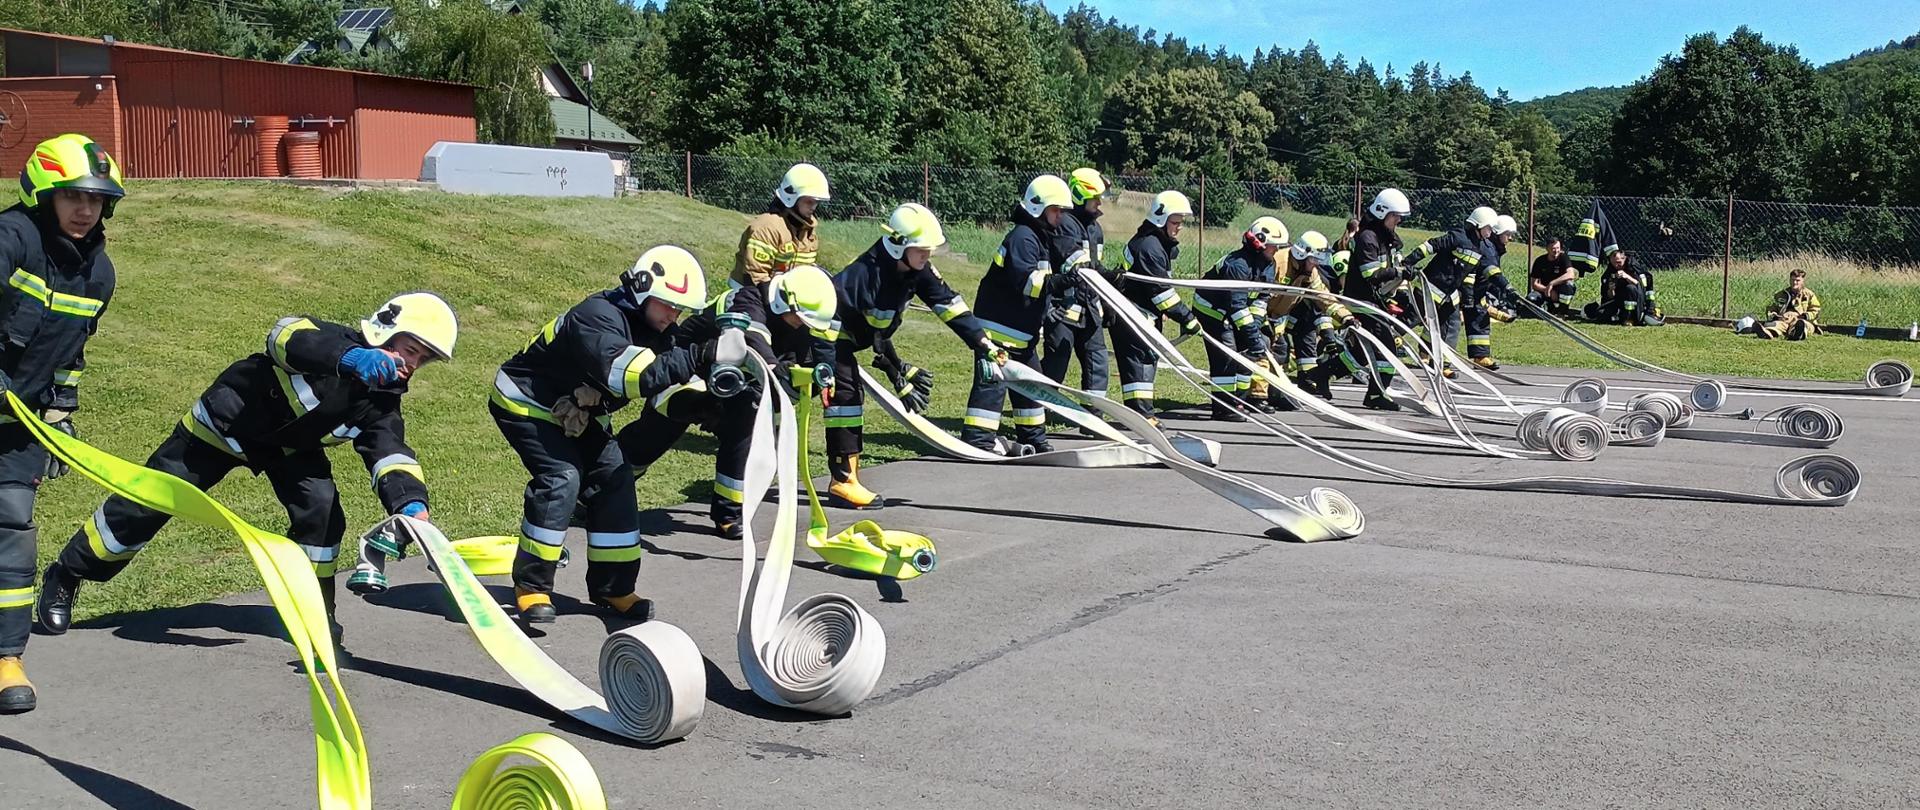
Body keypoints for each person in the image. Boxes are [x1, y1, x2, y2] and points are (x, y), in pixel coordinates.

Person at [38, 293, 457, 651]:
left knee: (323, 515)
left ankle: (312, 613)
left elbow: (390, 452)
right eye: (410, 349)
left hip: (290, 449)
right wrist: (349, 360)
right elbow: (284, 337)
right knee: (146, 503)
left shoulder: (383, 399)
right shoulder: (331, 339)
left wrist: (411, 504)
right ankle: (67, 575)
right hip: (223, 428)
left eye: (422, 359)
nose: (411, 365)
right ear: (386, 329)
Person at [490, 246, 719, 624]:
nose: (673, 315)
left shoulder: (658, 328)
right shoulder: (597, 316)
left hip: (577, 410)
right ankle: (531, 587)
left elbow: (670, 376)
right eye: (667, 305)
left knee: (616, 477)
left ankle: (614, 588)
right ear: (642, 289)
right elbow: (632, 376)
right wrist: (698, 357)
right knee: (561, 478)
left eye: (679, 309)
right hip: (525, 401)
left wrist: (713, 398)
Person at [0, 134, 124, 714]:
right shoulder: (9, 239)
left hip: (17, 429)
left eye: (96, 200)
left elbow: (69, 356)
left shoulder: (98, 275)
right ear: (43, 194)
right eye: (73, 195)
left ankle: (6, 658)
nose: (85, 209)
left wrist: (59, 415)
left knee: (12, 534)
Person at [615, 265, 839, 539]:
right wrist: (776, 376)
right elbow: (757, 349)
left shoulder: (798, 319)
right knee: (651, 438)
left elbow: (808, 360)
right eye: (800, 319)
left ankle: (729, 513)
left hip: (733, 388)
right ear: (785, 302)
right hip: (686, 375)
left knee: (748, 426)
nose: (803, 326)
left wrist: (818, 379)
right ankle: (599, 493)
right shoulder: (746, 301)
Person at [827, 203, 1003, 506]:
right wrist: (898, 372)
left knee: (851, 395)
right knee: (846, 399)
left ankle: (846, 479)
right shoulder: (867, 278)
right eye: (921, 249)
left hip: (859, 336)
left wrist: (983, 343)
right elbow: (875, 336)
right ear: (898, 245)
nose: (927, 255)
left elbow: (948, 304)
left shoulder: (916, 267)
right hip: (828, 336)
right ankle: (842, 482)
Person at [963, 176, 1080, 454]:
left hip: (1021, 334)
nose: (1059, 217)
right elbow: (1028, 283)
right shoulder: (1022, 237)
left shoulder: (1039, 237)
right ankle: (977, 440)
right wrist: (1063, 281)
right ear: (1038, 207)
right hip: (996, 334)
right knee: (991, 387)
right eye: (1056, 210)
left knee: (1031, 386)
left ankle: (1034, 439)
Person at [1310, 189, 1412, 411]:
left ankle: (1323, 372)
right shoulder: (1368, 237)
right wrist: (1398, 272)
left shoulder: (1383, 237)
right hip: (1363, 302)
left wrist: (1402, 273)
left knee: (1361, 352)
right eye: (1396, 216)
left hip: (1375, 302)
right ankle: (1376, 394)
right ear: (1383, 213)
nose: (1399, 221)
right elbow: (1371, 275)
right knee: (1386, 350)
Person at [1110, 191, 1201, 425]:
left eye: (1181, 223)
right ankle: (1141, 415)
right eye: (1175, 222)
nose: (1179, 228)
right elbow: (1162, 293)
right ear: (1161, 219)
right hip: (1131, 314)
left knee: (1146, 361)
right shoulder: (1149, 247)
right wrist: (1187, 317)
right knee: (1138, 364)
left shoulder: (1155, 244)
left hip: (1143, 313)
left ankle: (1142, 413)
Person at [1193, 217, 1287, 420]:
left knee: (1250, 351)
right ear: (1258, 242)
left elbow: (1261, 299)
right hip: (1213, 311)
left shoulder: (1268, 265)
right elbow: (1236, 306)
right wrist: (1251, 335)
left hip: (1237, 312)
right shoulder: (1238, 265)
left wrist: (1255, 329)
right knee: (1226, 355)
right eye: (1273, 247)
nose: (1276, 251)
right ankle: (1223, 408)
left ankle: (1240, 400)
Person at [1041, 168, 1112, 403]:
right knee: (1057, 362)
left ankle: (1094, 414)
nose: (1100, 203)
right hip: (1064, 308)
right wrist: (1108, 276)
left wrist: (1107, 298)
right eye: (1095, 198)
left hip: (1090, 307)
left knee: (1097, 360)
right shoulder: (1064, 224)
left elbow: (1095, 266)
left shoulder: (1095, 229)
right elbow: (1078, 264)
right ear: (1080, 196)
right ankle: (1038, 407)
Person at [1400, 206, 1498, 370]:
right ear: (1478, 225)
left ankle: (1442, 363)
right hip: (1430, 287)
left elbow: (1470, 274)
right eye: (1488, 228)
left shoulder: (1479, 247)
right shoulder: (1457, 237)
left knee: (1451, 324)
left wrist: (1468, 298)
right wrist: (1408, 262)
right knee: (1413, 319)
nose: (1490, 232)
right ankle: (1387, 339)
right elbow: (1430, 246)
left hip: (1449, 293)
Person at [1267, 231, 1356, 404]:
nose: (1316, 264)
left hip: (1277, 318)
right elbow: (1260, 295)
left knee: (1281, 352)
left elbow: (1322, 296)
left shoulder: (1310, 272)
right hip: (1260, 316)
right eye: (1314, 259)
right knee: (1267, 352)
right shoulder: (1278, 262)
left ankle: (1275, 394)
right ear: (1301, 254)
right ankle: (1258, 396)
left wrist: (1346, 317)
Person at [731, 163, 829, 287]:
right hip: (748, 294)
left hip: (783, 295)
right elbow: (755, 276)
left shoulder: (807, 232)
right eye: (809, 201)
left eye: (817, 202)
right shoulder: (767, 228)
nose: (814, 207)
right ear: (791, 196)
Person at [1463, 215, 1523, 369]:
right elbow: (1491, 272)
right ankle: (1423, 353)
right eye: (1507, 234)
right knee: (1443, 321)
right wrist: (1507, 288)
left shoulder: (1494, 249)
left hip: (1476, 293)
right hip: (1464, 289)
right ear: (1497, 233)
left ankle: (1480, 357)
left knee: (1480, 318)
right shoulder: (1489, 249)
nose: (1509, 238)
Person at [1584, 249, 1662, 326]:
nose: (1616, 265)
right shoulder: (1610, 271)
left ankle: (1630, 318)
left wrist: (1627, 276)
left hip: (1636, 301)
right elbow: (1609, 297)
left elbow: (1639, 286)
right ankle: (1619, 316)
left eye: (1618, 262)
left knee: (1630, 288)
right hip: (1619, 301)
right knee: (1601, 314)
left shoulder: (1633, 267)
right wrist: (1611, 289)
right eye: (1613, 263)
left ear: (1624, 258)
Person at [1753, 269, 1822, 340]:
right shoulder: (1780, 295)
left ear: (1803, 281)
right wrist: (1777, 317)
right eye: (1792, 280)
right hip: (1784, 321)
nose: (1794, 282)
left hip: (1802, 320)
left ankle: (1797, 333)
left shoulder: (1809, 295)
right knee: (1775, 325)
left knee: (1802, 325)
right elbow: (1771, 309)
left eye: (1797, 280)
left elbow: (1816, 310)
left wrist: (1803, 316)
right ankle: (1767, 333)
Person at [1527, 238, 1578, 314]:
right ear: (1547, 248)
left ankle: (1562, 311)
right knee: (1531, 299)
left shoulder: (1563, 257)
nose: (1556, 251)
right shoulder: (1540, 261)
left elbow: (1571, 274)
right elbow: (1534, 284)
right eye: (1553, 248)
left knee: (1569, 285)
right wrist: (1548, 290)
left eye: (1558, 248)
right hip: (1545, 291)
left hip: (1560, 291)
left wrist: (1552, 283)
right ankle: (1548, 307)